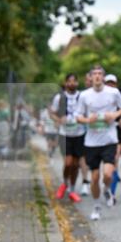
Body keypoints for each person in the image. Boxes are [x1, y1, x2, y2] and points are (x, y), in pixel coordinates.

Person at [76, 66, 121, 221]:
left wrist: (114, 115)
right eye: (94, 74)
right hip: (91, 142)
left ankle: (107, 190)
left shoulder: (113, 92)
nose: (97, 76)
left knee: (107, 174)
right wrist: (87, 120)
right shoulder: (84, 95)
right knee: (94, 177)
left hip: (109, 140)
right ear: (90, 78)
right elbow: (78, 116)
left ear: (103, 77)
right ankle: (97, 206)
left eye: (100, 74)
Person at [51, 74, 84, 203]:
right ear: (65, 83)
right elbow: (52, 112)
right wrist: (59, 120)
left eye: (74, 81)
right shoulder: (59, 97)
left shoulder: (82, 96)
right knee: (68, 162)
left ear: (77, 82)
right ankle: (64, 183)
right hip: (64, 134)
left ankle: (72, 190)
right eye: (69, 81)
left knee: (76, 164)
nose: (71, 83)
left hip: (79, 133)